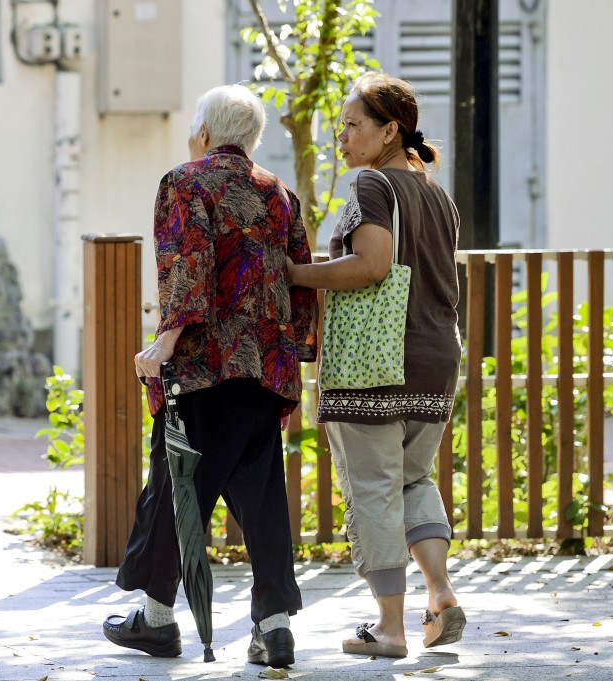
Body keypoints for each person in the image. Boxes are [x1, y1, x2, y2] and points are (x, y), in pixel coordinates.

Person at [101, 84, 319, 667]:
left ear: (203, 132)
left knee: (175, 490)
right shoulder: (280, 195)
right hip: (263, 368)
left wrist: (165, 341)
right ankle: (274, 629)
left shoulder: (186, 181)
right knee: (262, 497)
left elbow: (189, 265)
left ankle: (155, 621)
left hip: (204, 365)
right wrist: (293, 357)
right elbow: (297, 279)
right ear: (251, 138)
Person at [286, 71, 465, 658]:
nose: (342, 136)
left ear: (391, 130)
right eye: (340, 124)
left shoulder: (372, 184)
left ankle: (389, 628)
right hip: (435, 355)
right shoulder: (437, 193)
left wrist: (292, 272)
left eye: (352, 124)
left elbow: (372, 266)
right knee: (413, 478)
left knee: (372, 486)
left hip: (376, 360)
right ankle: (441, 595)